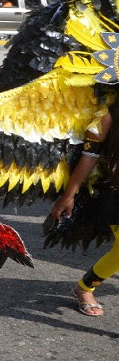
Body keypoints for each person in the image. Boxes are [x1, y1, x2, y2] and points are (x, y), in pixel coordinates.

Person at [50, 104, 119, 317]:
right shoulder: (106, 115)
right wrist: (69, 194)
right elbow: (90, 156)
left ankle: (84, 287)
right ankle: (84, 288)